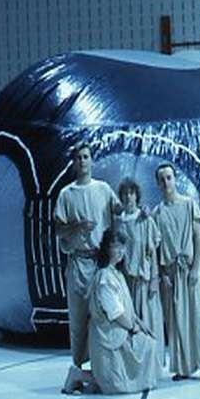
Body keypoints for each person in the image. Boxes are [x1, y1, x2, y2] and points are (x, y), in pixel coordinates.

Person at [63, 229, 161, 394]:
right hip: (108, 335)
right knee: (115, 383)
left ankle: (103, 377)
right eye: (116, 247)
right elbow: (114, 312)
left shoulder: (117, 274)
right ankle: (77, 375)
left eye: (123, 248)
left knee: (148, 343)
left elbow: (127, 307)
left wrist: (140, 323)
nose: (120, 252)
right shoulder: (105, 277)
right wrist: (132, 327)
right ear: (107, 249)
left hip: (118, 330)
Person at [54, 144, 121, 371]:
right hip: (79, 263)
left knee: (104, 315)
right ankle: (78, 368)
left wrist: (135, 209)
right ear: (74, 163)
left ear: (91, 160)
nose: (82, 161)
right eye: (78, 158)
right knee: (79, 319)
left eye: (86, 157)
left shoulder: (103, 189)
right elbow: (58, 230)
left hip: (101, 263)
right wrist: (77, 227)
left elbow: (120, 210)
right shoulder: (66, 194)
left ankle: (105, 368)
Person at [152, 162, 200, 382]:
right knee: (176, 321)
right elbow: (156, 247)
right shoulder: (157, 213)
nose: (166, 182)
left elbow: (198, 237)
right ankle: (183, 367)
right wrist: (162, 274)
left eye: (169, 177)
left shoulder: (189, 205)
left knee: (198, 317)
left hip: (190, 268)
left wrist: (196, 268)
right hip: (171, 273)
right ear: (157, 184)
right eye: (162, 179)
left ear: (175, 179)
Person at [116, 177, 165, 365]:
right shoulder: (118, 223)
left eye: (132, 193)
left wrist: (154, 278)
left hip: (144, 280)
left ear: (137, 196)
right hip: (126, 282)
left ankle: (153, 362)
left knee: (149, 319)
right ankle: (136, 364)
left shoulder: (145, 220)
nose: (129, 197)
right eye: (125, 194)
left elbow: (152, 251)